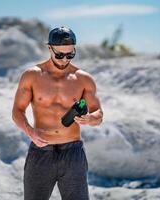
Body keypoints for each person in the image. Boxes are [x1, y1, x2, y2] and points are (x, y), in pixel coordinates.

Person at [12, 26, 103, 200]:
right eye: (59, 55)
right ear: (49, 48)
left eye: (70, 55)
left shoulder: (83, 78)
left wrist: (91, 118)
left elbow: (99, 113)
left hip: (73, 153)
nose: (64, 60)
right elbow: (17, 111)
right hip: (40, 152)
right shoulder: (32, 76)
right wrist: (30, 132)